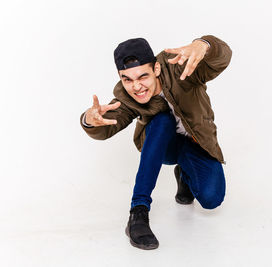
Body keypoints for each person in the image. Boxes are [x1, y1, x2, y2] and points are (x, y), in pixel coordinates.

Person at [79, 35, 232, 250]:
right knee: (162, 120)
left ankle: (184, 175)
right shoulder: (126, 95)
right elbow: (109, 125)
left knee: (211, 199)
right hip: (163, 146)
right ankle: (138, 212)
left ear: (157, 69)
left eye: (143, 76)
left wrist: (205, 45)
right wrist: (89, 120)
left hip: (196, 144)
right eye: (127, 79)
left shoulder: (180, 67)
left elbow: (222, 58)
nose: (137, 87)